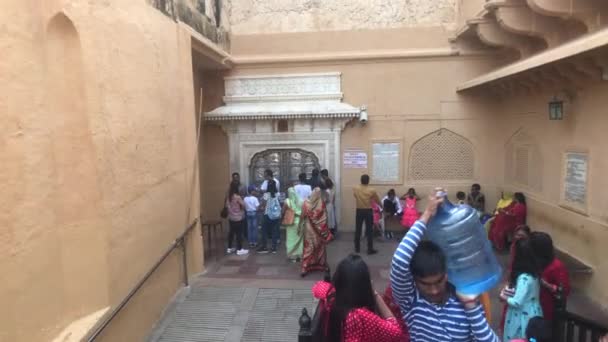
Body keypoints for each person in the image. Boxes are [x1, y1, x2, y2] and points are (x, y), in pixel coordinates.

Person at [391, 194, 500, 342]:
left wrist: (471, 306)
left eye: (439, 281)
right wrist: (427, 214)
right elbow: (399, 261)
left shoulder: (465, 300)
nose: (434, 290)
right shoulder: (410, 300)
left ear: (448, 273)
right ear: (414, 281)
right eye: (426, 284)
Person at [312, 254, 406, 342]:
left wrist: (333, 288)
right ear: (365, 285)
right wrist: (375, 295)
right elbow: (396, 332)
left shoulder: (331, 297)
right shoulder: (360, 316)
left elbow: (316, 287)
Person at [500, 239, 543, 341]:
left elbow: (517, 302)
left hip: (521, 315)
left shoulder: (523, 278)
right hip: (534, 311)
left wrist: (504, 297)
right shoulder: (534, 273)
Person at [529, 232, 570, 321]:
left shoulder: (556, 266)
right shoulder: (533, 260)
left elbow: (564, 291)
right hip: (531, 306)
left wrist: (546, 284)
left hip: (547, 309)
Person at [500, 224, 532, 333]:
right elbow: (511, 264)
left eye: (521, 236)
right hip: (514, 277)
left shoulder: (527, 250)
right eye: (517, 235)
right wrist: (507, 280)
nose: (518, 237)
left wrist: (504, 298)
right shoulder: (514, 246)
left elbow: (517, 302)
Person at [300, 188, 332, 277]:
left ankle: (305, 267)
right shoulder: (321, 204)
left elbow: (302, 216)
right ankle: (321, 265)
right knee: (320, 247)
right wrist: (325, 232)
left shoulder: (306, 203)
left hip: (308, 229)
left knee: (309, 247)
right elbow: (324, 219)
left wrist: (299, 226)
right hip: (319, 232)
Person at [353, 174, 380, 255]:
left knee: (358, 229)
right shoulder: (372, 190)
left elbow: (355, 196)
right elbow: (377, 200)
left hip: (359, 210)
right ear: (368, 181)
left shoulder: (355, 188)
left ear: (361, 180)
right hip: (368, 211)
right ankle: (370, 249)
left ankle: (357, 248)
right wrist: (381, 206)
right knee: (369, 230)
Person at [257, 180, 282, 254]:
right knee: (274, 231)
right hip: (276, 215)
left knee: (264, 231)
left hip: (267, 215)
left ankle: (264, 247)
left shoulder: (266, 194)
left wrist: (258, 208)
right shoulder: (278, 194)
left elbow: (263, 204)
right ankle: (273, 248)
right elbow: (280, 203)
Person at [226, 182, 248, 255]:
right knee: (239, 233)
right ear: (236, 188)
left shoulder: (229, 196)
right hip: (238, 218)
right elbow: (244, 205)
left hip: (231, 217)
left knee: (231, 233)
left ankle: (229, 248)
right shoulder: (237, 197)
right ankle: (239, 249)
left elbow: (227, 206)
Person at [283, 187, 304, 262]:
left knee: (291, 239)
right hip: (300, 221)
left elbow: (283, 211)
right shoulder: (301, 201)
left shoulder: (287, 201)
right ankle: (300, 256)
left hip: (291, 222)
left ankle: (293, 257)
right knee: (300, 239)